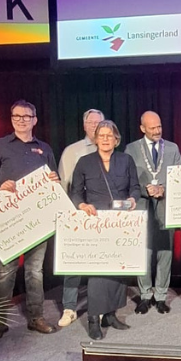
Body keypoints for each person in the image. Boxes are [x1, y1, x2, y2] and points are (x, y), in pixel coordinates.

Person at [0, 100, 60, 339]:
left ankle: (36, 318)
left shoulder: (45, 148)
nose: (21, 120)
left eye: (26, 116)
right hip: (11, 220)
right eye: (17, 116)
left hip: (38, 219)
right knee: (6, 272)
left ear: (35, 120)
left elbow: (54, 178)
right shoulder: (0, 146)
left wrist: (55, 179)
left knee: (35, 271)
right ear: (11, 119)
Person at [70, 119, 140, 340]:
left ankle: (110, 315)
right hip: (96, 223)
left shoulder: (126, 160)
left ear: (116, 139)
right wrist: (82, 205)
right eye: (102, 135)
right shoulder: (84, 162)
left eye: (110, 135)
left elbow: (135, 188)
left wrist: (133, 199)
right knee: (98, 272)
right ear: (95, 139)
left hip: (120, 222)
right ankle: (93, 319)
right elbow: (75, 192)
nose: (105, 139)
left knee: (118, 269)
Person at [125, 111, 181, 314]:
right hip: (142, 206)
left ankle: (160, 296)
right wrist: (146, 189)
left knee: (165, 252)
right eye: (152, 128)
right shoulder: (131, 149)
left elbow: (179, 176)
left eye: (159, 126)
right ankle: (145, 294)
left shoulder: (173, 148)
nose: (157, 131)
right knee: (144, 251)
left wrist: (162, 189)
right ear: (142, 128)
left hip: (166, 206)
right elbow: (129, 178)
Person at [56, 109, 105, 328]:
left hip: (102, 216)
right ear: (84, 125)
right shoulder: (72, 151)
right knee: (73, 263)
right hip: (76, 214)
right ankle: (69, 308)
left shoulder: (109, 149)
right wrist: (71, 212)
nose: (95, 126)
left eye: (99, 122)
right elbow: (63, 185)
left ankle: (99, 307)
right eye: (91, 122)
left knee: (101, 262)